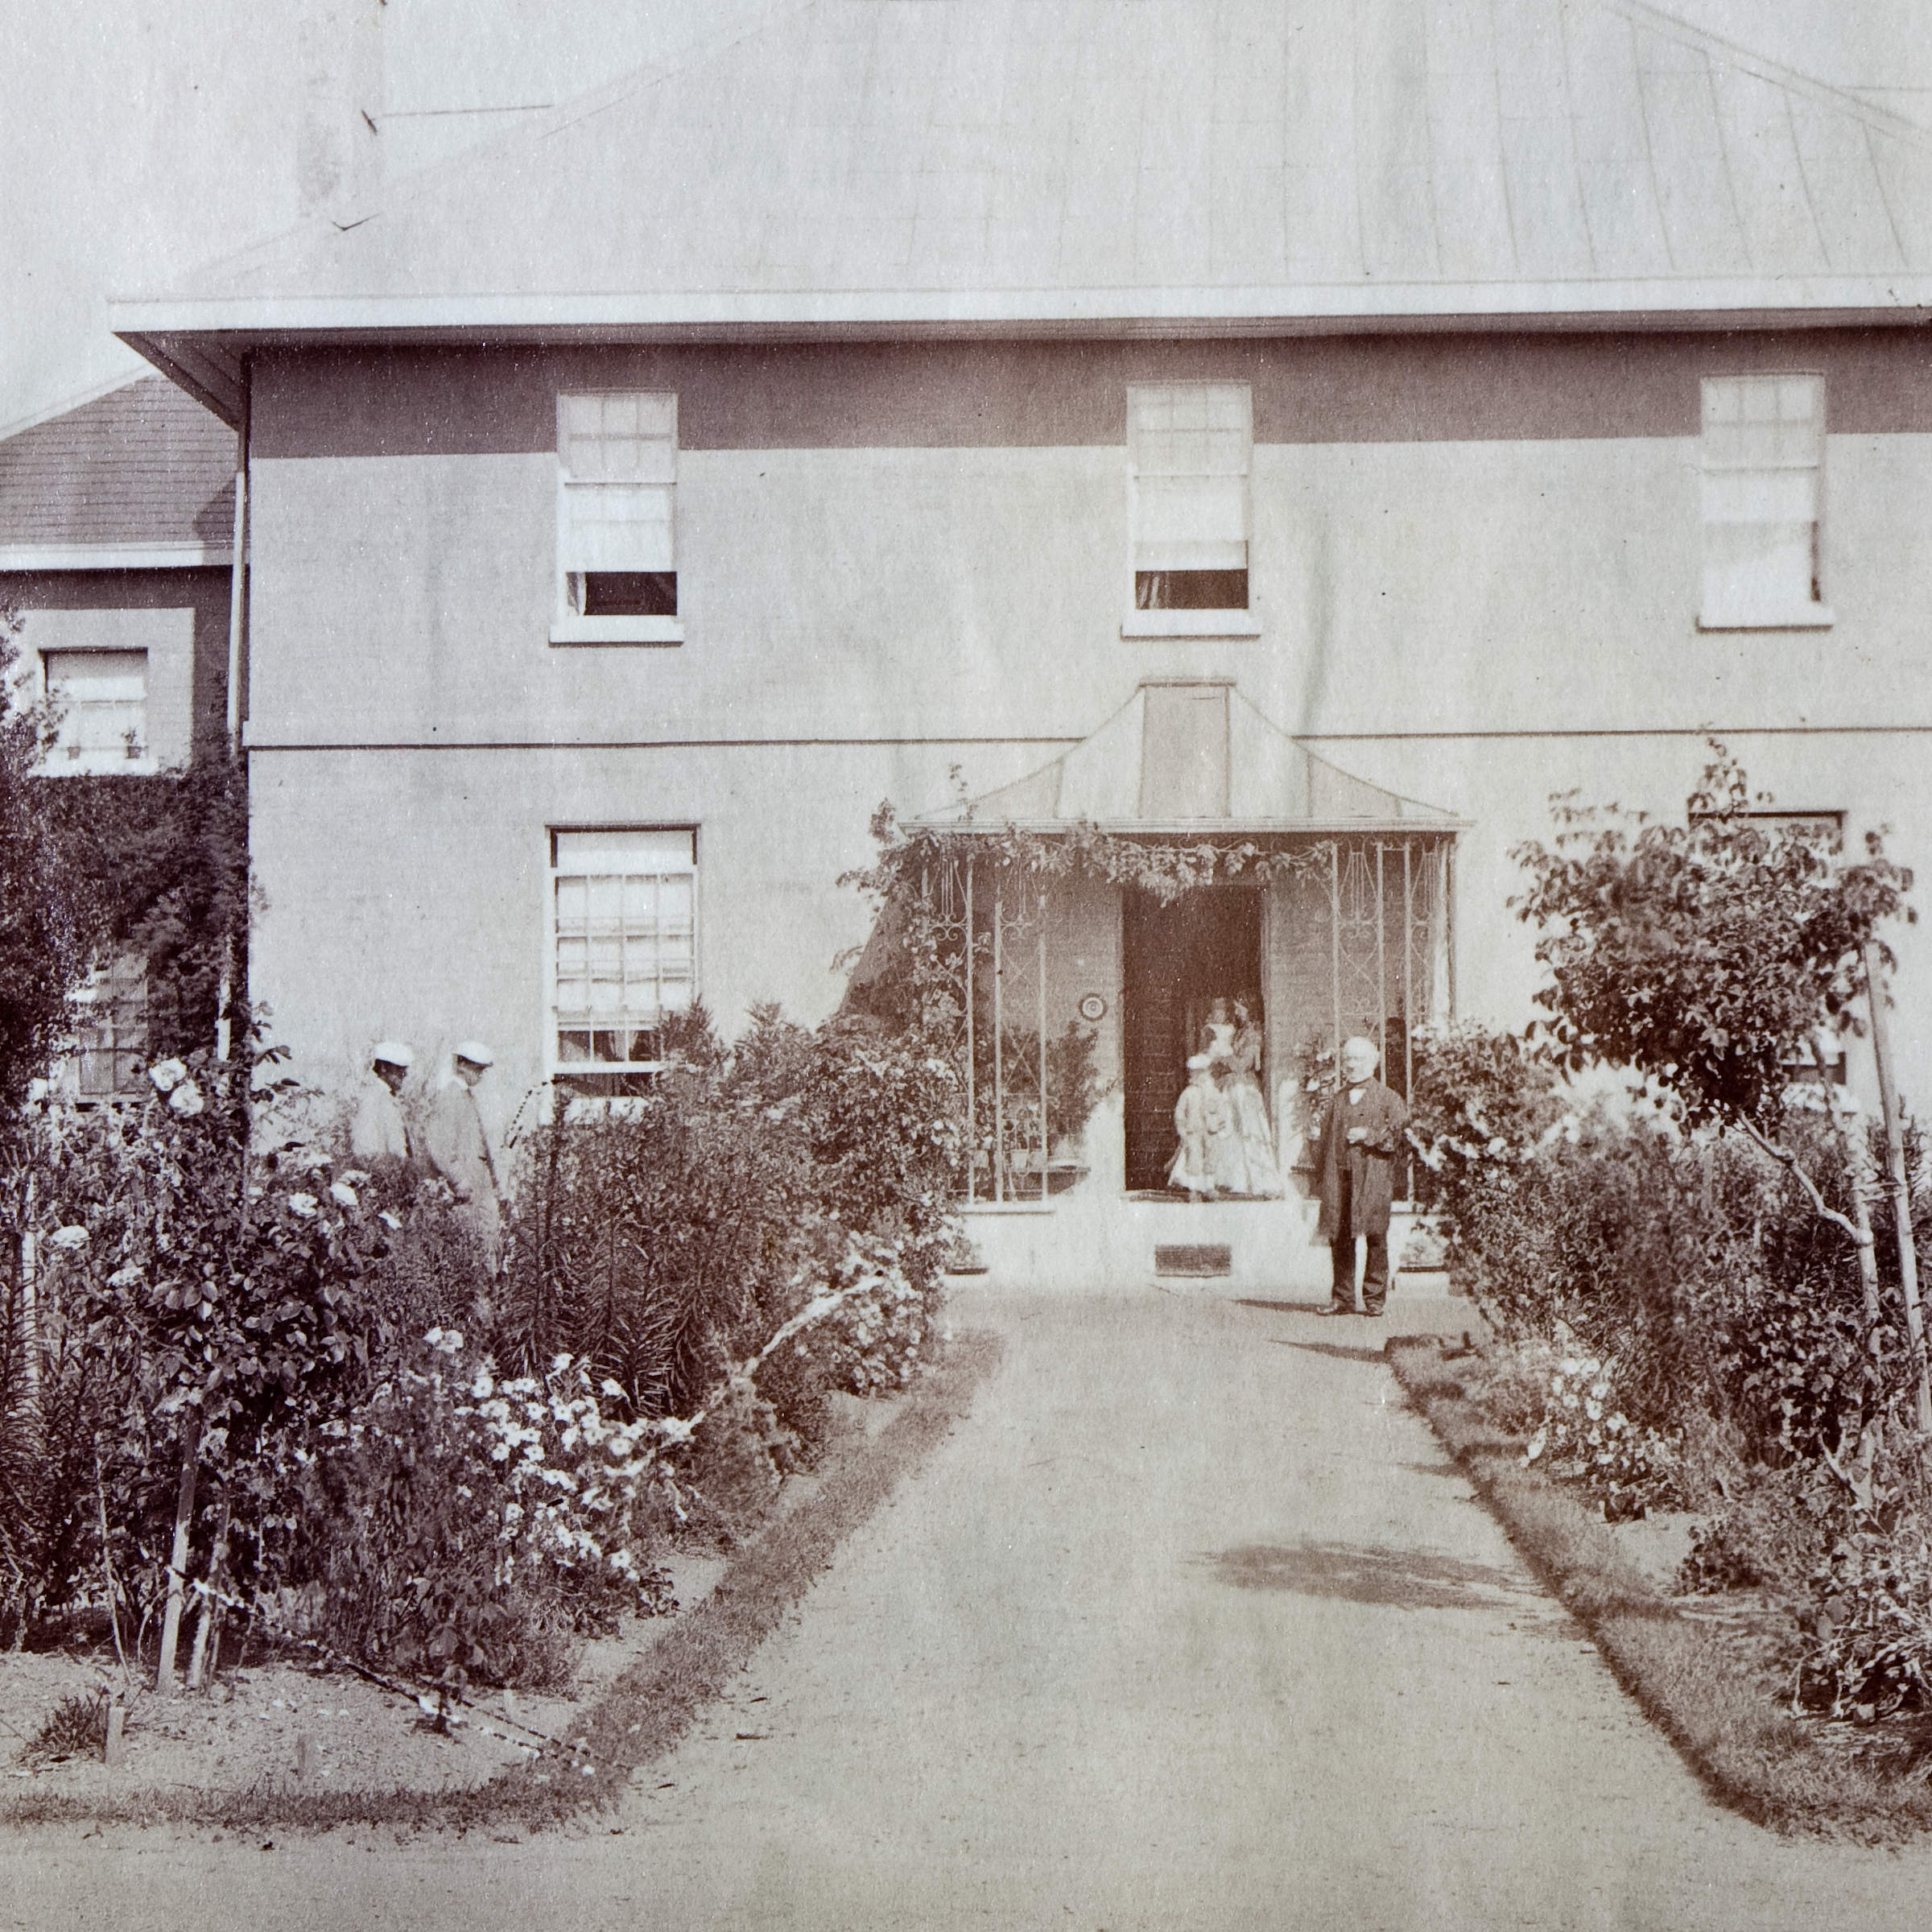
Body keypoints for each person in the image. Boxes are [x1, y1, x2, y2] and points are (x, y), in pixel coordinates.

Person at [1315, 1035, 1408, 1316]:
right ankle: (1342, 1297)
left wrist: (1370, 1135)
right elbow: (1324, 1140)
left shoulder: (1389, 1098)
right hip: (1340, 1178)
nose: (1351, 1065)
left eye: (1358, 1059)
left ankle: (1375, 1298)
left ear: (1373, 1062)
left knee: (1376, 1235)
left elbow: (1401, 1136)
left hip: (1373, 1178)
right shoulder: (1338, 1098)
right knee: (1340, 1235)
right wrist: (1321, 1175)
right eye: (1348, 1060)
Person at [425, 1039, 502, 1263]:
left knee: (486, 1249)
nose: (479, 1075)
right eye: (475, 1069)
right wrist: (460, 1182)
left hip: (477, 1187)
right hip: (466, 1193)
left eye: (481, 1070)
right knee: (472, 1253)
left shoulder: (464, 1096)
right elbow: (439, 1146)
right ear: (460, 1065)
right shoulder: (450, 1097)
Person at [1224, 998, 1284, 1199]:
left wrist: (1223, 1055)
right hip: (1232, 1087)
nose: (1237, 1012)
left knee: (1248, 1131)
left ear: (1250, 1008)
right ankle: (1233, 1179)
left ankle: (1255, 1179)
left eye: (1240, 1007)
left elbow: (1242, 1064)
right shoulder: (1239, 1032)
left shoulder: (1254, 1034)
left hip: (1244, 1087)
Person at [1168, 1054, 1230, 1200]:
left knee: (1211, 1158)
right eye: (1195, 1072)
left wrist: (1219, 1124)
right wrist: (1182, 1129)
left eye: (1202, 1072)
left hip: (1210, 1130)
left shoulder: (1213, 1092)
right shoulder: (1189, 1093)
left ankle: (1210, 1187)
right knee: (1194, 1159)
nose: (1199, 1075)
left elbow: (1222, 1109)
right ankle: (1194, 1189)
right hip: (1193, 1131)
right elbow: (1180, 1112)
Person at [349, 1040, 415, 1172]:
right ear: (384, 1068)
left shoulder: (386, 1096)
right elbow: (368, 1147)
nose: (404, 1075)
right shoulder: (374, 1097)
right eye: (399, 1069)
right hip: (383, 1176)